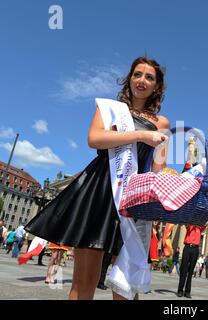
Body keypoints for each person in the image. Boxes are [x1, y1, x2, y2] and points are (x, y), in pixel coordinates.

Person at [24, 56, 170, 300]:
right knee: (84, 282)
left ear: (157, 86)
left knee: (126, 286)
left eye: (149, 77)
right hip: (99, 191)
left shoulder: (162, 123)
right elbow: (94, 139)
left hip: (131, 199)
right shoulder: (109, 109)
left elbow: (158, 169)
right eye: (137, 74)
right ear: (129, 79)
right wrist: (139, 136)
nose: (142, 80)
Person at [177, 225, 206, 298]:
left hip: (195, 249)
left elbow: (205, 226)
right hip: (187, 247)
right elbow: (187, 226)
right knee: (184, 270)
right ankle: (180, 290)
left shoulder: (200, 226)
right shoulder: (190, 224)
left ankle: (187, 291)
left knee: (190, 272)